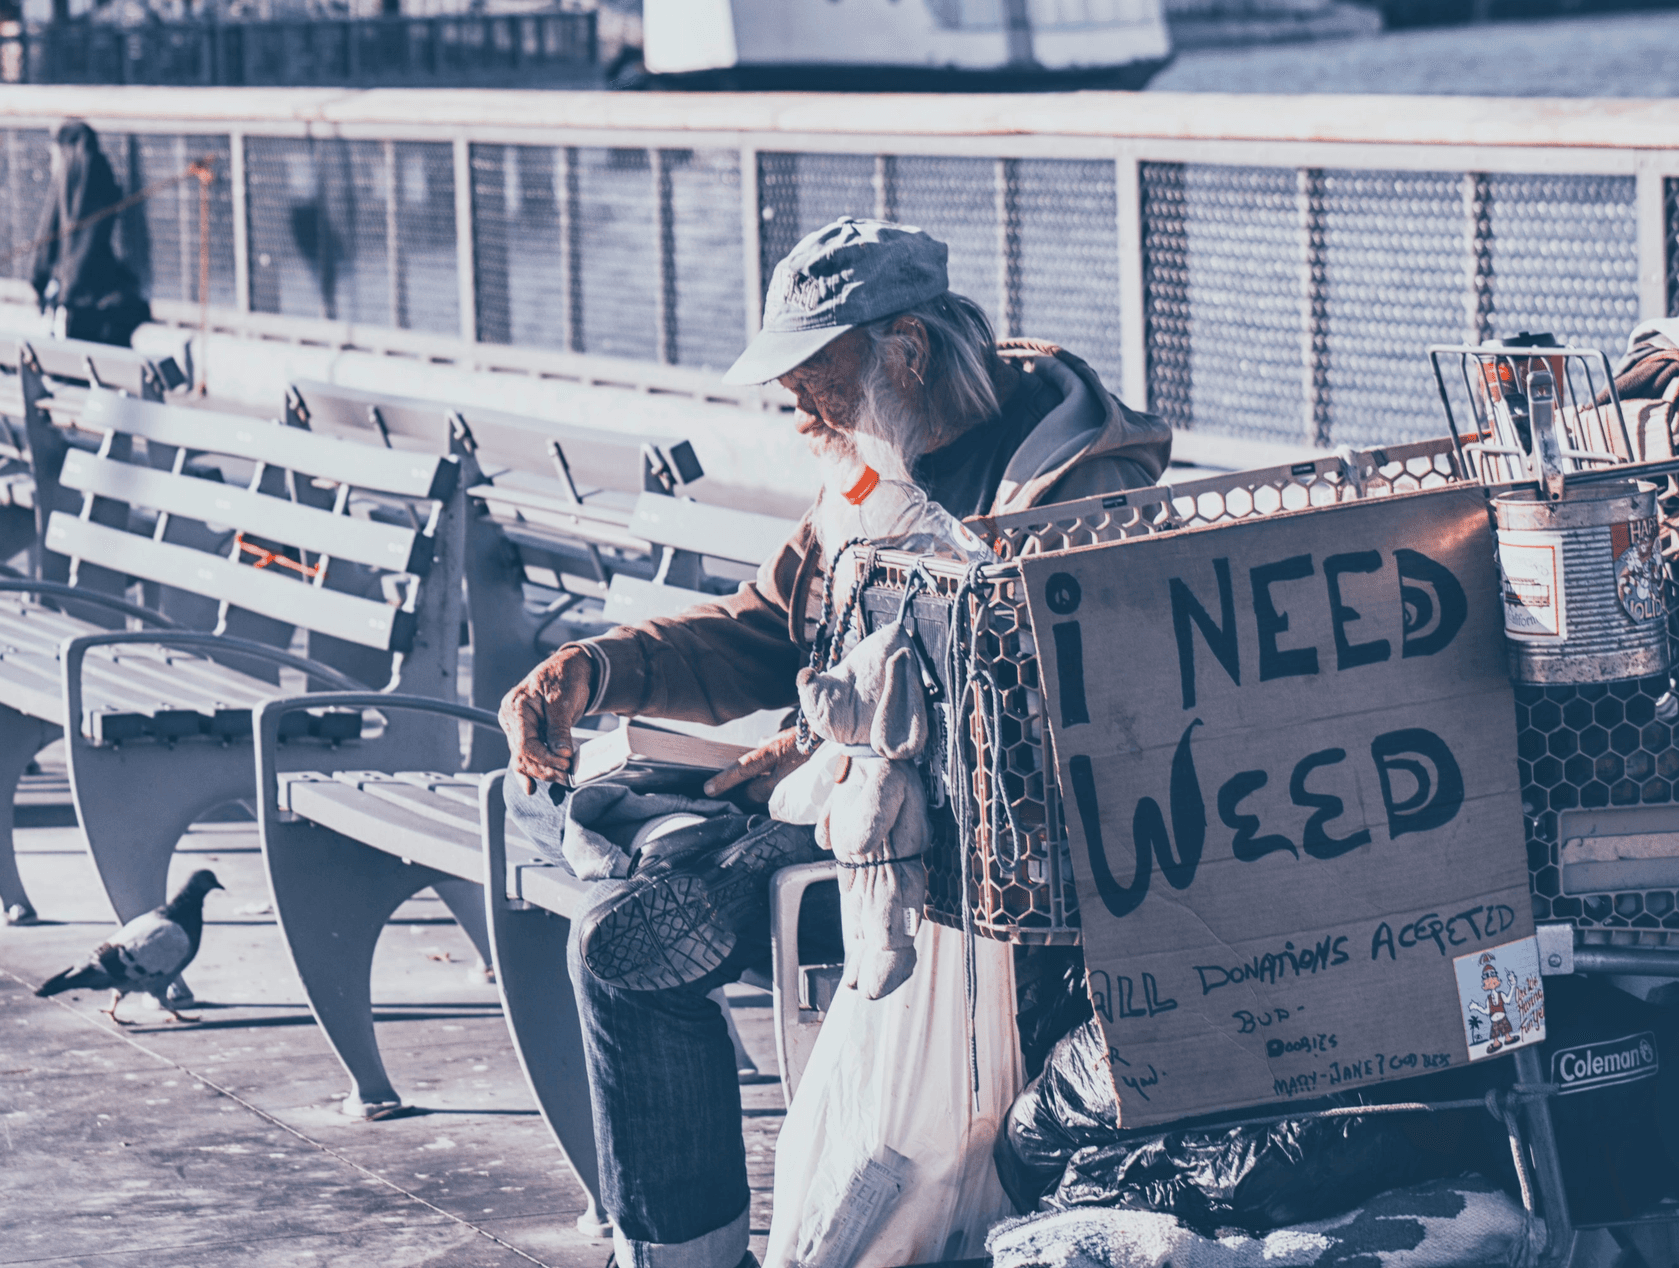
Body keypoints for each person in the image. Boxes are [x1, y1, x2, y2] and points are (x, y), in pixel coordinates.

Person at [497, 217, 1172, 1268]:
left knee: (631, 946)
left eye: (811, 372)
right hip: (845, 807)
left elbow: (1078, 712)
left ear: (902, 349)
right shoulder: (870, 461)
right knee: (617, 922)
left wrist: (811, 751)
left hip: (967, 866)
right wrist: (598, 669)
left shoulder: (1069, 488)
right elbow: (772, 628)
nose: (793, 402)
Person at [28, 119, 152, 348]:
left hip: (72, 300)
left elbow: (48, 238)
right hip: (87, 299)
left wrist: (44, 282)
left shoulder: (67, 176)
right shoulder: (97, 172)